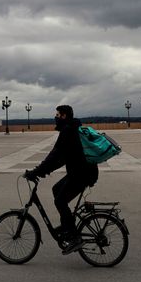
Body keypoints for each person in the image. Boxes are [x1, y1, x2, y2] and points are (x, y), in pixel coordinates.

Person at [25, 105, 98, 254]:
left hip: (82, 174)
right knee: (56, 190)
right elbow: (60, 159)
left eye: (57, 114)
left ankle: (74, 237)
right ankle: (67, 226)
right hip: (81, 172)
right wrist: (42, 171)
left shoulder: (68, 131)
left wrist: (37, 172)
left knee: (60, 200)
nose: (56, 117)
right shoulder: (71, 129)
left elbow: (55, 156)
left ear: (64, 116)